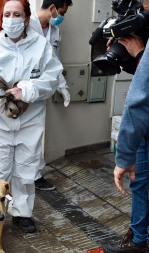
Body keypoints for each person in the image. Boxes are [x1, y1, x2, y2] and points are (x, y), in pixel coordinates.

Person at [0, 0, 62, 232]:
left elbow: (52, 79)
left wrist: (26, 90)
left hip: (30, 119)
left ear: (26, 18)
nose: (11, 19)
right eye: (7, 14)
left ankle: (22, 213)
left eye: (16, 14)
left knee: (25, 169)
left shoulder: (41, 46)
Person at [101, 1, 149, 252]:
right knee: (140, 181)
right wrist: (132, 56)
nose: (144, 7)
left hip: (143, 119)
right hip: (144, 129)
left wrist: (124, 155)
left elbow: (141, 97)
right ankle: (139, 237)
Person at [29, 0, 72, 191]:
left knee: (37, 135)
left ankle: (36, 176)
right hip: (20, 89)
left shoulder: (55, 32)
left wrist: (62, 86)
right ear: (53, 8)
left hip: (41, 92)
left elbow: (55, 62)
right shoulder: (26, 24)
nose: (62, 17)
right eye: (61, 12)